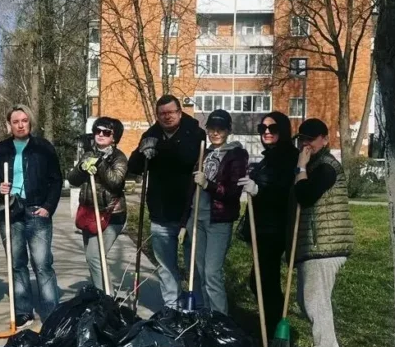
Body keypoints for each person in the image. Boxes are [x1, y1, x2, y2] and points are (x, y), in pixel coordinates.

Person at [127, 95, 206, 307]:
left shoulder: (195, 133)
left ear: (180, 112)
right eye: (162, 114)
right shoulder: (151, 134)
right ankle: (172, 307)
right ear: (157, 115)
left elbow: (187, 157)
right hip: (160, 211)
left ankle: (195, 307)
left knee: (194, 266)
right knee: (165, 266)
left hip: (190, 211)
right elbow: (133, 167)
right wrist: (143, 150)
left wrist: (160, 148)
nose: (167, 117)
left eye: (171, 112)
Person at [0, 105, 63, 328]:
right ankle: (23, 311)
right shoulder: (1, 148)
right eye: (15, 121)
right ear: (8, 125)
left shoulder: (43, 147)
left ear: (30, 122)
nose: (20, 125)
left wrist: (49, 207)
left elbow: (56, 179)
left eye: (24, 120)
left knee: (42, 263)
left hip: (37, 210)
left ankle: (51, 312)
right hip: (10, 211)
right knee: (16, 263)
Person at [290, 118, 353, 347]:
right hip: (317, 244)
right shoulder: (316, 164)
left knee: (315, 303)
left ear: (325, 140)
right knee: (308, 302)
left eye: (312, 139)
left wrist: (301, 168)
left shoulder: (326, 167)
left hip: (325, 245)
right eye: (303, 138)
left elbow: (305, 195)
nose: (307, 144)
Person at [238, 111, 298, 334]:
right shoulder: (269, 157)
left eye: (272, 129)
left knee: (264, 281)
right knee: (261, 281)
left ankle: (276, 329)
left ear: (282, 131)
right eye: (263, 129)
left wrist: (259, 189)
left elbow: (284, 189)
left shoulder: (289, 157)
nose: (266, 132)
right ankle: (272, 326)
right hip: (263, 227)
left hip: (275, 229)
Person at [183, 109, 248, 314]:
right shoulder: (206, 152)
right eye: (212, 128)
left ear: (228, 130)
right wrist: (185, 220)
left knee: (212, 273)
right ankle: (207, 316)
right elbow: (191, 189)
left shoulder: (236, 155)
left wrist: (208, 184)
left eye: (220, 129)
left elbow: (232, 192)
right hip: (197, 219)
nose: (215, 133)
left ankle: (221, 321)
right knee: (201, 272)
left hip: (218, 220)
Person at [68, 117, 128, 293]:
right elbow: (72, 179)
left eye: (106, 132)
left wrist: (100, 164)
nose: (100, 135)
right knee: (93, 258)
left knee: (95, 256)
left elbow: (116, 182)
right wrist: (82, 168)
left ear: (114, 137)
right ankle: (101, 291)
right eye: (97, 131)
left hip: (111, 214)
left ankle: (104, 298)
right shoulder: (88, 154)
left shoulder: (118, 157)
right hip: (89, 213)